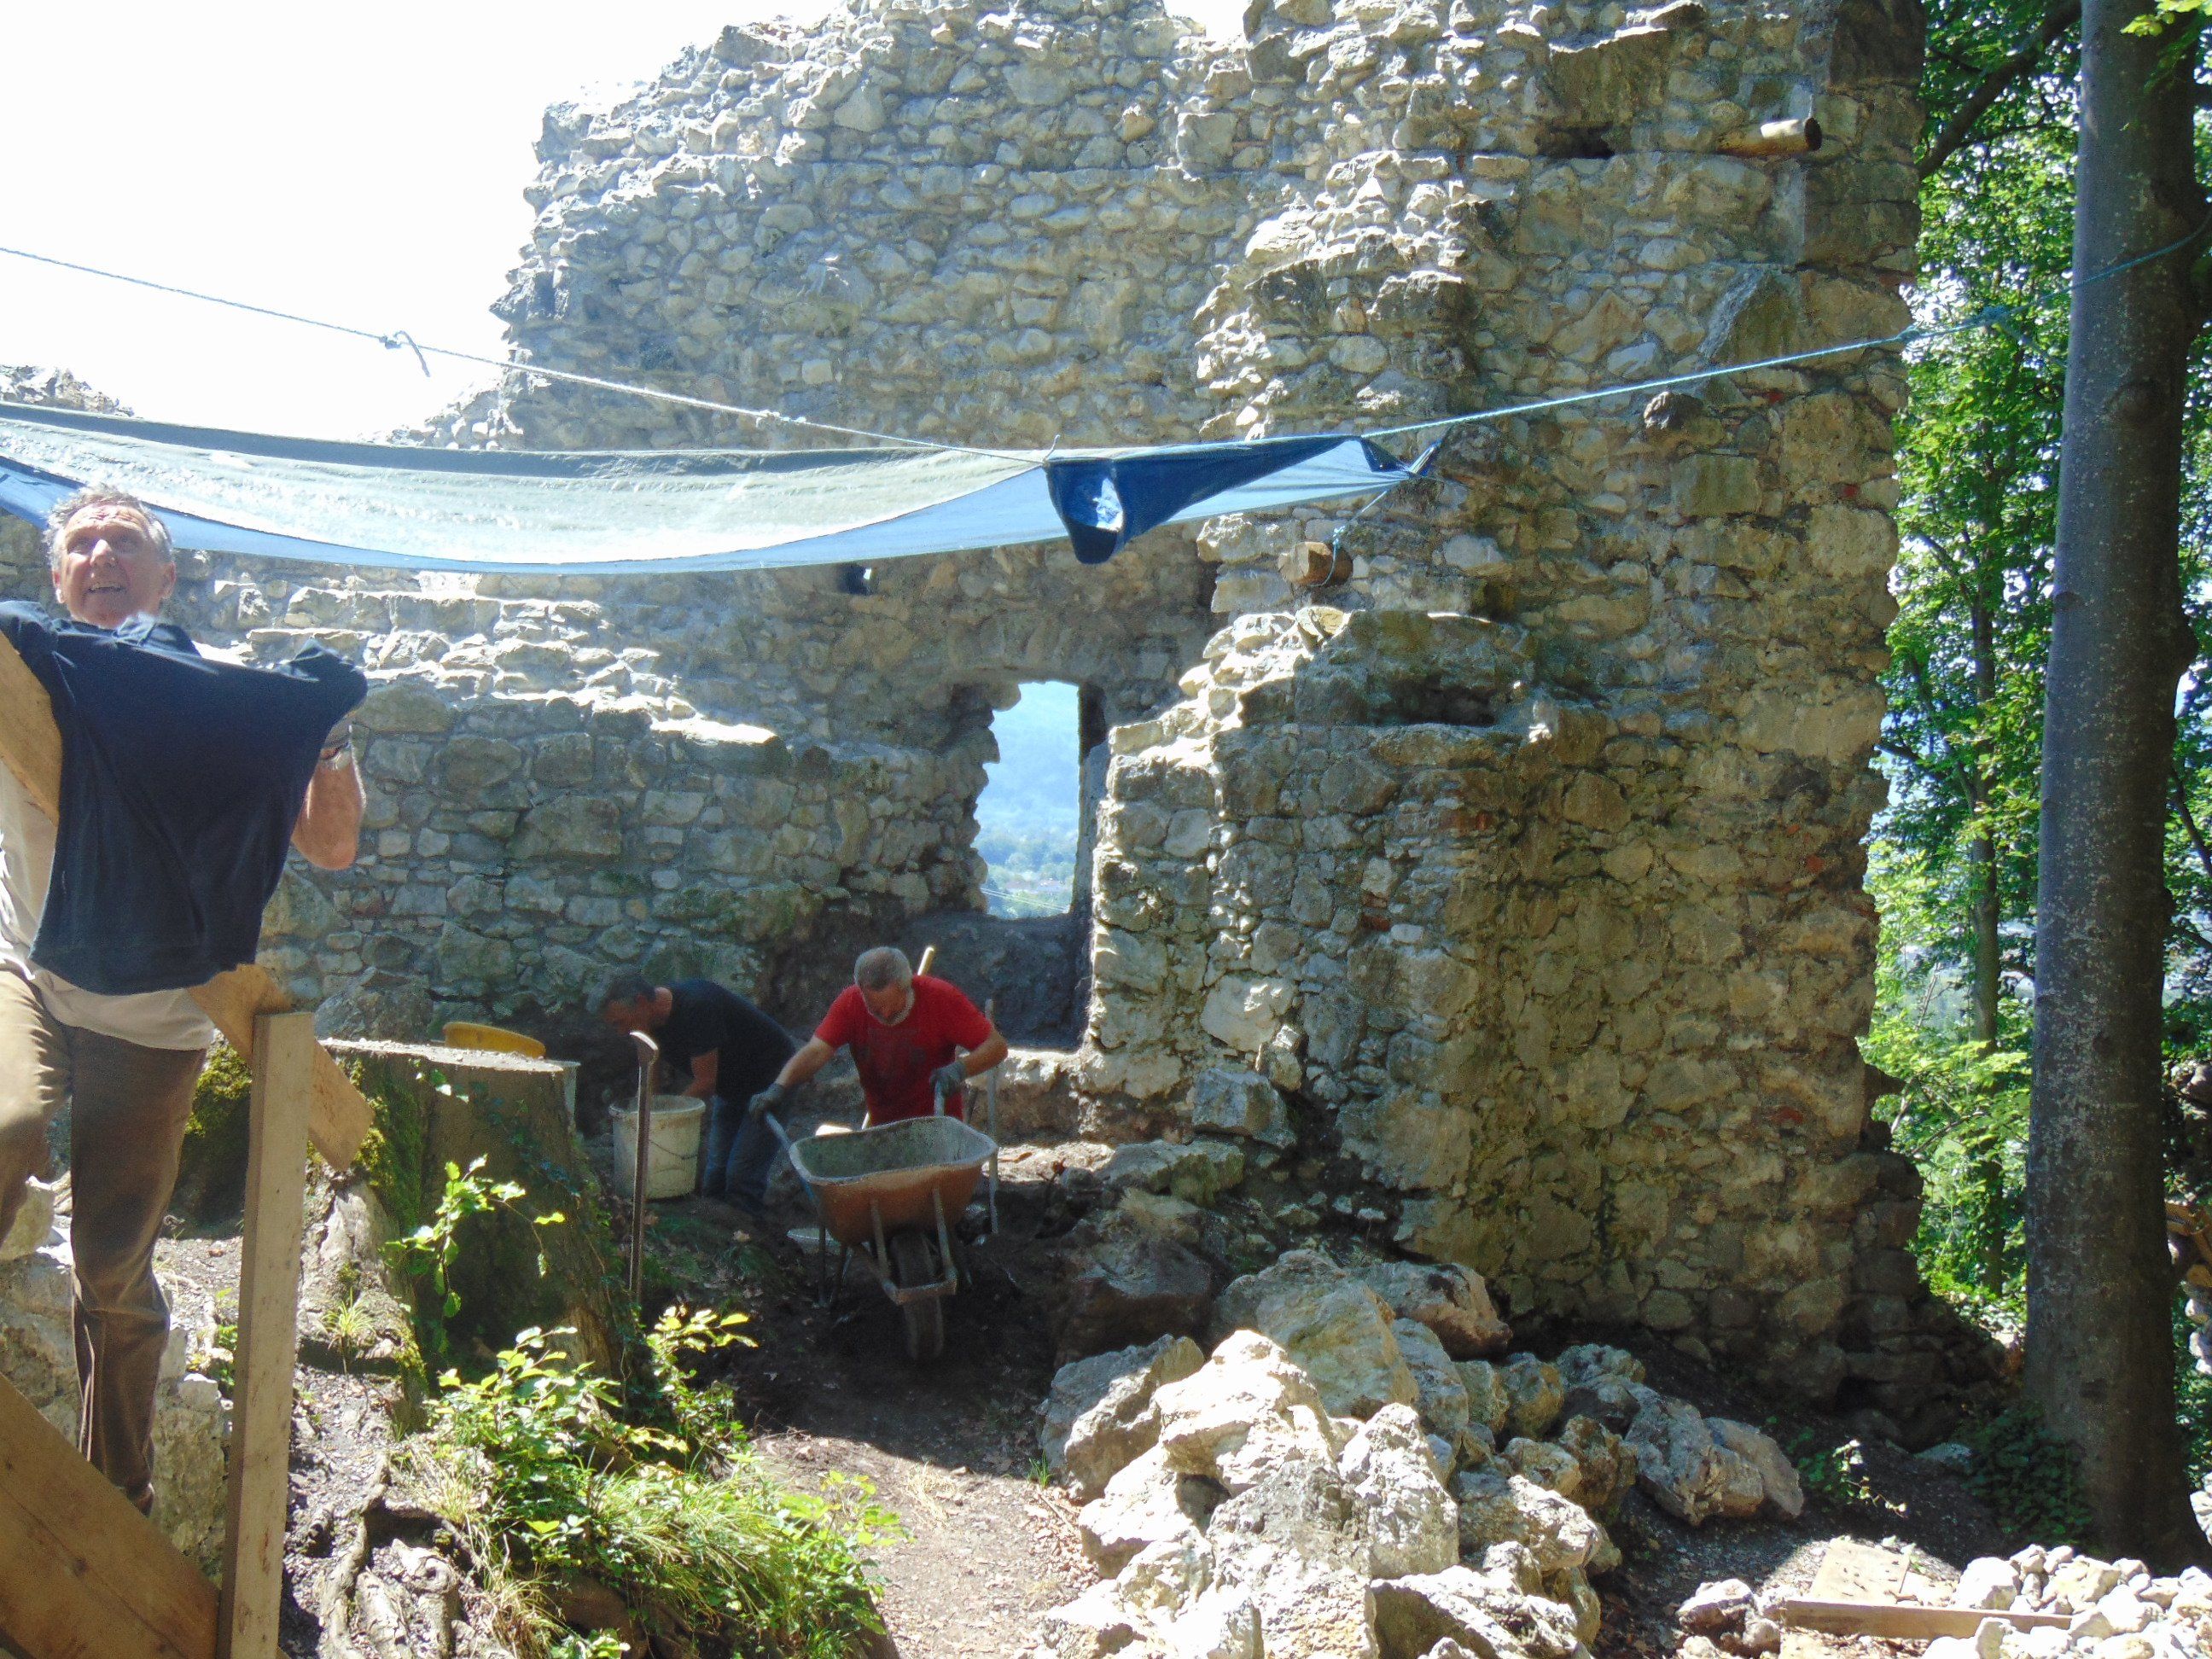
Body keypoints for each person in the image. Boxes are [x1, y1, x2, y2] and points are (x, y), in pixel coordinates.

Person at [0, 487, 364, 1514]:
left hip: (158, 1021)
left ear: (169, 577)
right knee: (6, 1130)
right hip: (26, 970)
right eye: (82, 542)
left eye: (128, 541)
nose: (102, 552)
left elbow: (333, 846)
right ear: (58, 576)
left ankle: (117, 1494)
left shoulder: (233, 694)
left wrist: (320, 733)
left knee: (114, 1267)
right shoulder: (17, 667)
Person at [597, 976, 797, 1220]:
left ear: (641, 1002)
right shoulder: (648, 1022)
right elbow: (651, 1070)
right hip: (730, 1085)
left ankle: (746, 1240)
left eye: (621, 1022)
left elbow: (705, 1083)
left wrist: (663, 1122)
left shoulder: (698, 1007)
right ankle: (717, 1238)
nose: (621, 1032)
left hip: (772, 1079)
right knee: (715, 1178)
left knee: (740, 1178)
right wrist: (641, 1111)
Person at [751, 946, 1006, 1128]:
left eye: (892, 1008)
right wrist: (779, 1087)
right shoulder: (851, 1003)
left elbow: (996, 1047)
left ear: (908, 987)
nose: (884, 1015)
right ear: (861, 990)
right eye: (875, 1009)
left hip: (936, 1126)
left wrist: (959, 1069)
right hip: (884, 1126)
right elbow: (817, 1051)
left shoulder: (940, 998)